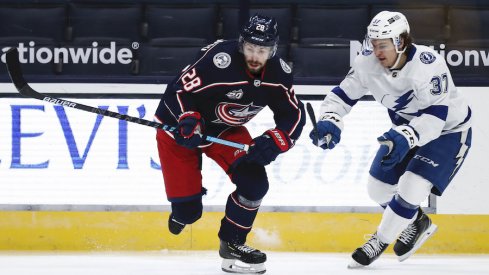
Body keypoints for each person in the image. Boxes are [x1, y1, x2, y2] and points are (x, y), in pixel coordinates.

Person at [309, 11, 472, 267]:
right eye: (373, 44)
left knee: (412, 184)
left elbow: (434, 119)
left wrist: (406, 135)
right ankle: (417, 221)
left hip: (448, 132)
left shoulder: (429, 65)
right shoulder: (367, 63)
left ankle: (378, 241)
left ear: (401, 42)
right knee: (377, 188)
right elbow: (343, 95)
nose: (376, 51)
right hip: (406, 130)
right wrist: (330, 118)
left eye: (382, 45)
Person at [154, 14, 305, 274]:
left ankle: (232, 243)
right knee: (188, 214)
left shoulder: (279, 72)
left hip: (226, 131)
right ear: (241, 44)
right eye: (250, 48)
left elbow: (293, 113)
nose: (255, 56)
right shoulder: (218, 60)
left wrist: (276, 140)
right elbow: (179, 90)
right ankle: (182, 212)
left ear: (273, 50)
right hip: (179, 132)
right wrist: (187, 119)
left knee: (255, 183)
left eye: (262, 50)